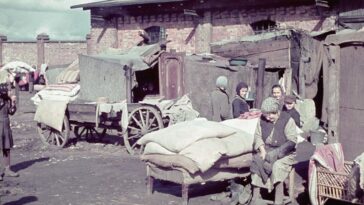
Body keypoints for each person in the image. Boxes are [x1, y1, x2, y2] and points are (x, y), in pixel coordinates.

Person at [250, 97, 297, 204]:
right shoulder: (262, 119)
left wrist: (275, 154)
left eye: (270, 115)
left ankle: (278, 200)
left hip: (286, 152)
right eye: (266, 116)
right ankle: (256, 199)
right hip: (267, 149)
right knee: (257, 161)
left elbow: (292, 141)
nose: (268, 118)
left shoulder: (288, 120)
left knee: (277, 166)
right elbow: (257, 136)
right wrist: (262, 150)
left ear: (276, 112)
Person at [0, 70, 19, 180]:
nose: (9, 90)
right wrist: (6, 98)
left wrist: (13, 103)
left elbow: (11, 112)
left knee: (6, 147)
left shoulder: (7, 100)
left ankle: (7, 169)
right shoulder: (2, 100)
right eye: (7, 88)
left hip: (6, 124)